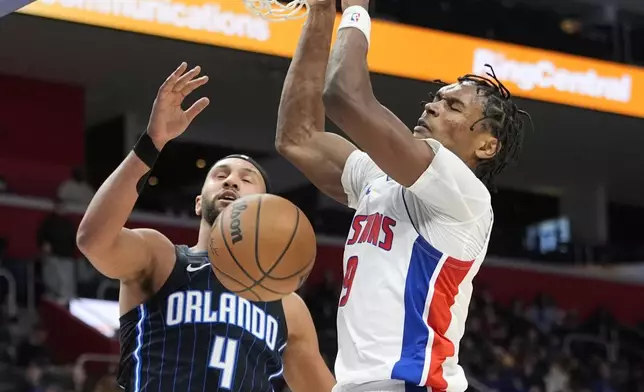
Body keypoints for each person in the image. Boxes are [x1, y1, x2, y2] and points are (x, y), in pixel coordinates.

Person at [275, 1, 530, 391]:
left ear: (486, 146)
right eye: (438, 98)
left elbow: (346, 97)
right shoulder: (378, 177)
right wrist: (322, 13)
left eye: (452, 105)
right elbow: (298, 137)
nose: (432, 105)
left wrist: (357, 10)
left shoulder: (466, 195)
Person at [77, 63, 334, 392]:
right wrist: (152, 142)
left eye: (246, 178)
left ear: (264, 204)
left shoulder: (287, 305)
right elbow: (92, 240)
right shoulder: (161, 258)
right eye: (220, 174)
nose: (231, 180)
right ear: (199, 202)